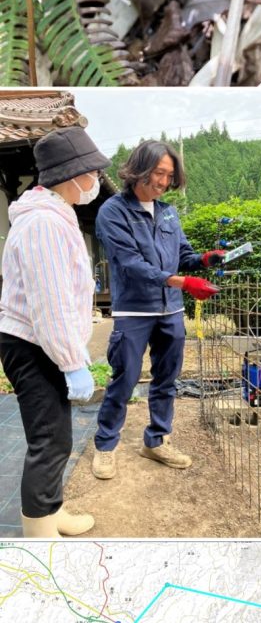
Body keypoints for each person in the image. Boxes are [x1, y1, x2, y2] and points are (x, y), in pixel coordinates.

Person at [0, 126, 112, 537]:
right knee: (49, 441)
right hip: (34, 344)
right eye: (93, 173)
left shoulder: (53, 214)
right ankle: (40, 535)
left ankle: (50, 510)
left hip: (39, 340)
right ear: (72, 175)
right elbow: (50, 302)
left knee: (56, 436)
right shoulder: (43, 223)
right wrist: (71, 361)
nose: (96, 180)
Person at [91, 141, 222, 478]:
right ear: (139, 169)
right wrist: (183, 282)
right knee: (125, 378)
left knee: (167, 379)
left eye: (169, 175)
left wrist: (204, 260)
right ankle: (105, 445)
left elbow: (183, 255)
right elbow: (130, 263)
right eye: (158, 173)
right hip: (134, 311)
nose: (164, 182)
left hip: (170, 311)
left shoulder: (168, 212)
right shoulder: (113, 212)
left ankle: (157, 440)